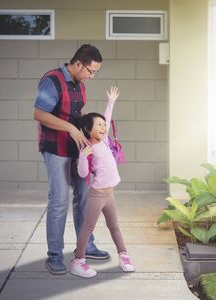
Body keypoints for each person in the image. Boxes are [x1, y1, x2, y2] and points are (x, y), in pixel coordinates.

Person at [34, 44, 109, 275]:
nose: (91, 75)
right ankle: (55, 256)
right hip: (55, 148)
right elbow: (39, 114)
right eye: (90, 70)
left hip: (77, 148)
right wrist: (70, 128)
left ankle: (87, 245)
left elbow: (74, 115)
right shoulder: (52, 80)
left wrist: (92, 124)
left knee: (85, 197)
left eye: (95, 72)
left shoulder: (79, 83)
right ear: (78, 63)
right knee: (59, 200)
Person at [70, 86, 135, 278]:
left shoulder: (105, 140)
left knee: (114, 226)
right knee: (87, 228)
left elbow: (107, 117)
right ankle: (78, 261)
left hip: (110, 194)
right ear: (88, 130)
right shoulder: (88, 148)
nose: (103, 127)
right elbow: (82, 174)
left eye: (103, 125)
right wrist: (82, 156)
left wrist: (111, 102)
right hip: (97, 195)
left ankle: (124, 256)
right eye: (98, 125)